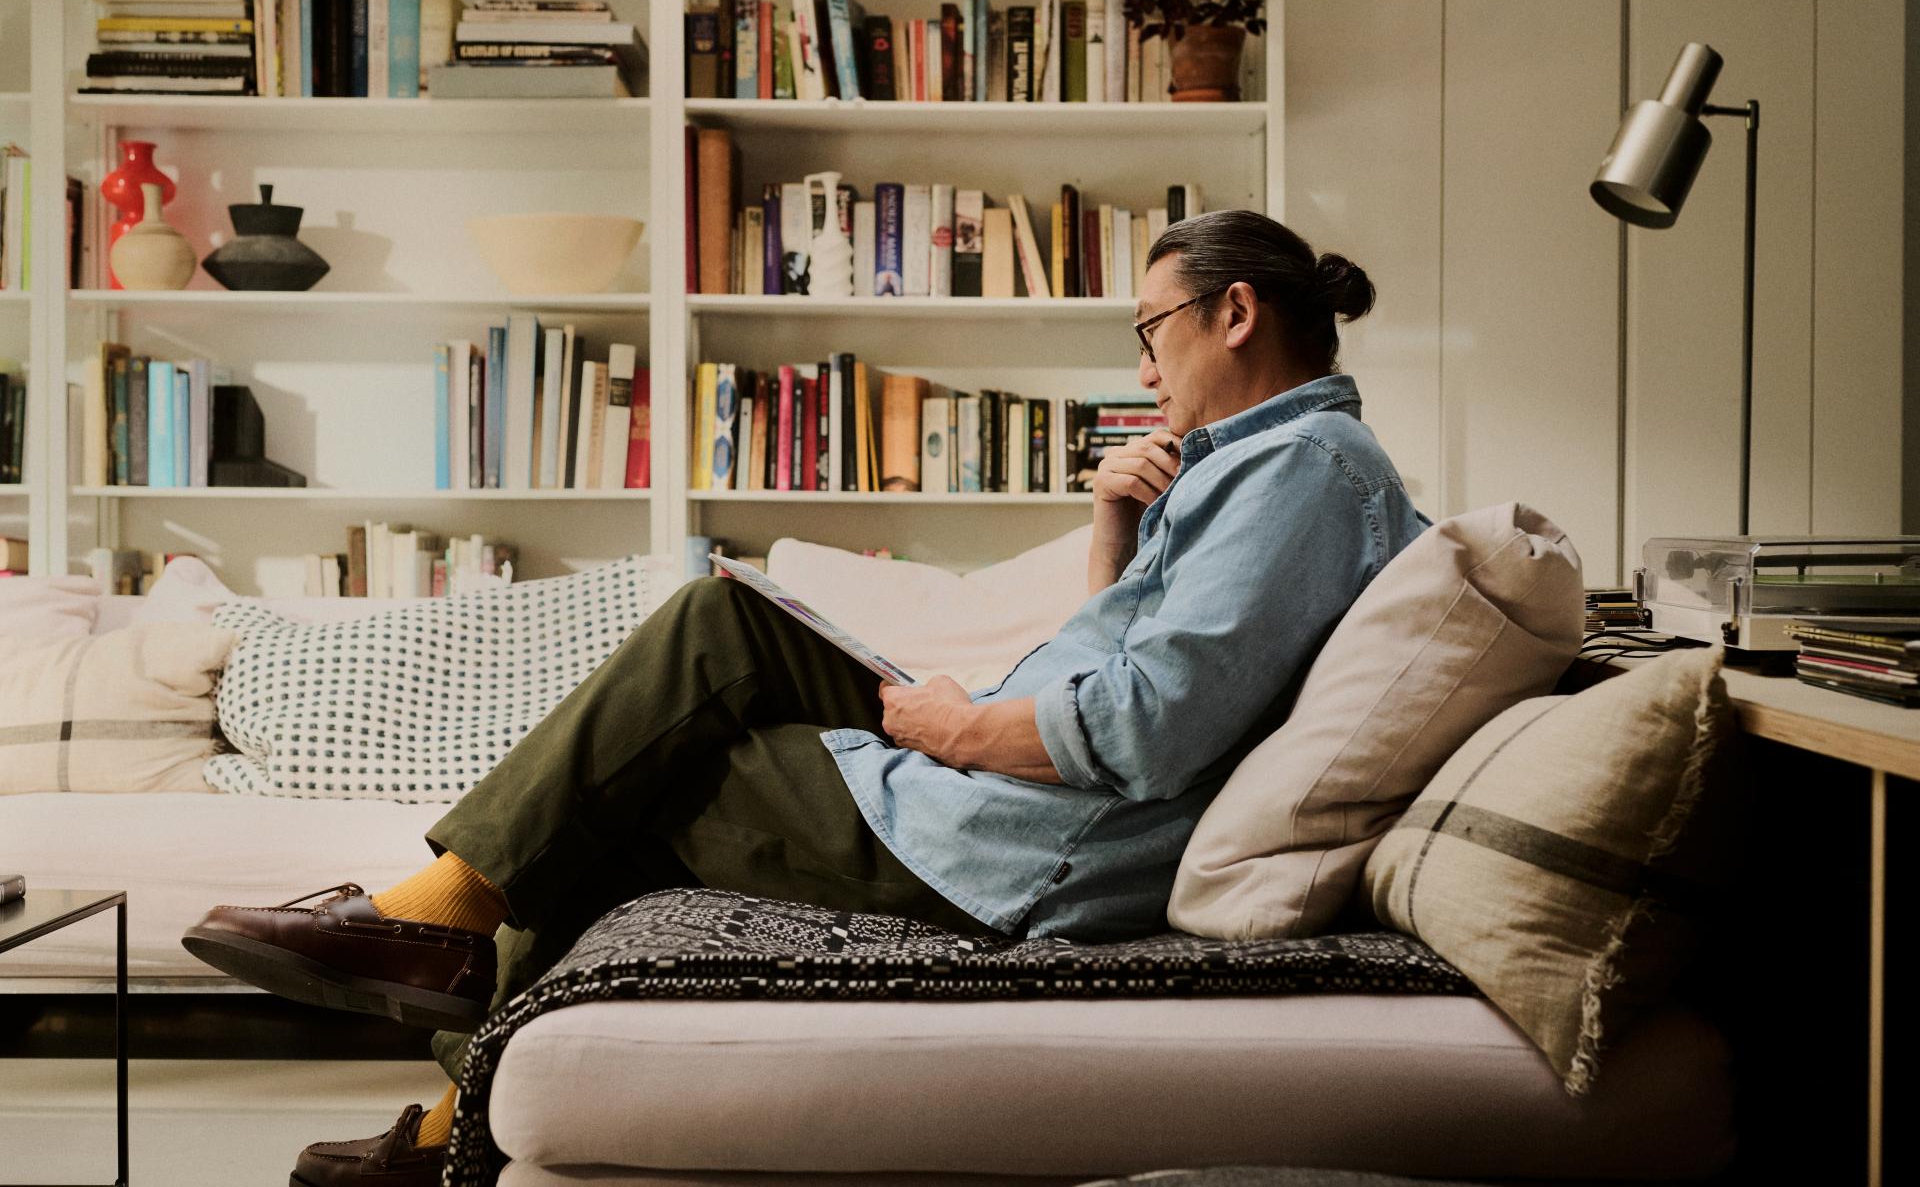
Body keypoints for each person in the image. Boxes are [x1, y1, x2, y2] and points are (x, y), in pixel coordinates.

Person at [184, 209, 1431, 1187]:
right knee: (726, 618)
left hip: (1020, 842)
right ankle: (439, 937)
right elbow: (1128, 659)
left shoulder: (1304, 472)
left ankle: (446, 1024)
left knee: (629, 783)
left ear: (1235, 312)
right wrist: (1117, 521)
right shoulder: (1276, 467)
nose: (1145, 365)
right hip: (1012, 778)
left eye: (1150, 331)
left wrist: (953, 726)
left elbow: (1144, 727)